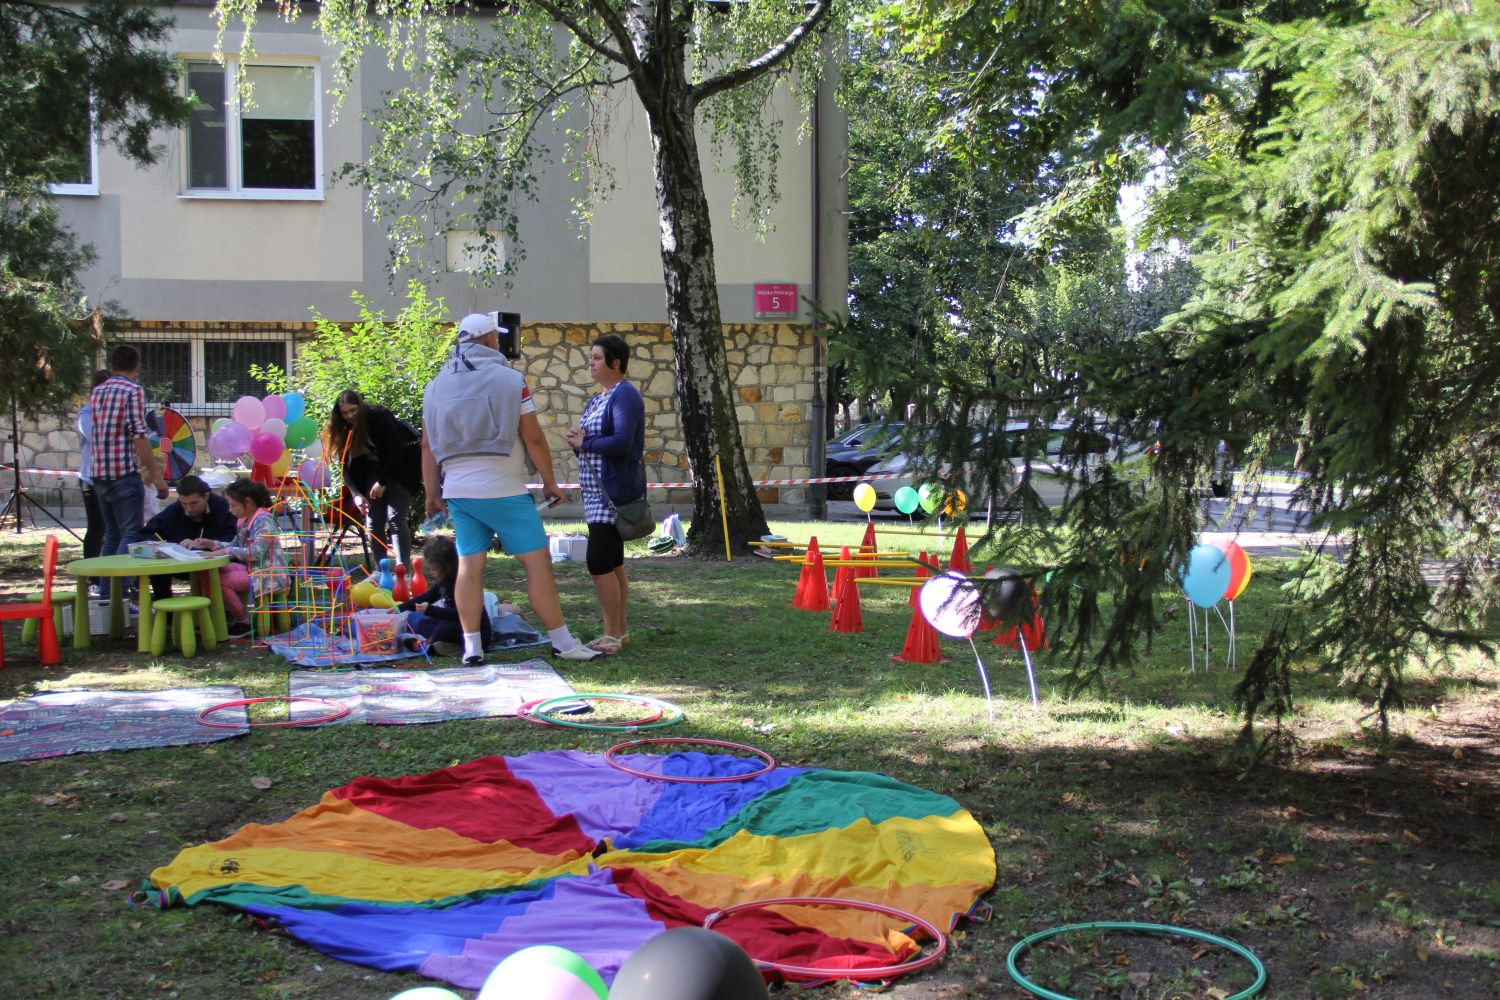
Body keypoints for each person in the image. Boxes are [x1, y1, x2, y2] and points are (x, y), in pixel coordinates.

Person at [420, 312, 600, 664]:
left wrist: (432, 492)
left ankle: (472, 647)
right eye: (496, 338)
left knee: (470, 567)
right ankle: (563, 642)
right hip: (503, 488)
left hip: (459, 490)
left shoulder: (435, 385)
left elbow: (428, 446)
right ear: (489, 340)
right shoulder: (510, 379)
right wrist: (549, 481)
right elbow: (532, 436)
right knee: (537, 564)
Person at [564, 334, 645, 655]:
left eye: (597, 358)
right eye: (591, 357)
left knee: (598, 561)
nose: (591, 363)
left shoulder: (625, 395)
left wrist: (586, 443)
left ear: (616, 363)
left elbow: (622, 443)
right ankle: (619, 631)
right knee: (612, 562)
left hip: (612, 492)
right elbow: (593, 444)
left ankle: (611, 634)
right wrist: (578, 442)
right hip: (596, 492)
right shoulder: (599, 397)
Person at [89, 345, 169, 559]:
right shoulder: (133, 391)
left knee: (113, 533)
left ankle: (106, 590)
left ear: (111, 366)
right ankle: (121, 587)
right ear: (138, 367)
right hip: (123, 474)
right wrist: (158, 478)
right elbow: (139, 437)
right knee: (132, 533)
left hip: (99, 473)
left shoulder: (97, 392)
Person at [326, 389, 422, 568]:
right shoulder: (343, 428)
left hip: (403, 467)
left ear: (360, 407)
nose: (349, 416)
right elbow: (344, 465)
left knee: (395, 517)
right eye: (345, 413)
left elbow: (395, 451)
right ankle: (381, 569)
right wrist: (356, 493)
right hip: (375, 469)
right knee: (373, 519)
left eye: (353, 411)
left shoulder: (379, 417)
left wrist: (383, 483)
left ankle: (403, 571)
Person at [137, 474, 238, 602]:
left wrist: (208, 544)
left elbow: (234, 539)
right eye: (184, 503)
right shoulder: (175, 510)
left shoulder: (223, 507)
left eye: (194, 503)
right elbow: (148, 532)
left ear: (206, 496)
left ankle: (225, 610)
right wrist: (161, 546)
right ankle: (166, 611)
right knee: (157, 569)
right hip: (183, 564)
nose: (189, 508)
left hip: (217, 563)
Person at [214, 478, 287, 637]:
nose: (230, 510)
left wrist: (227, 551)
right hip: (254, 569)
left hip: (267, 573)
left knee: (218, 582)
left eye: (233, 505)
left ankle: (242, 621)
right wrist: (212, 544)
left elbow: (256, 553)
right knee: (215, 573)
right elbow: (235, 544)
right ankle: (232, 615)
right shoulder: (246, 520)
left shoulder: (263, 520)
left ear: (247, 502)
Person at [396, 535, 490, 656]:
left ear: (446, 566)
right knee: (423, 623)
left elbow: (462, 614)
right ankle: (449, 644)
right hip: (456, 625)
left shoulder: (462, 583)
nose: (431, 572)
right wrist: (398, 609)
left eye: (434, 568)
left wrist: (430, 610)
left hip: (477, 632)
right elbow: (428, 597)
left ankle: (439, 644)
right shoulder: (445, 580)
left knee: (444, 628)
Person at [75, 370, 112, 596]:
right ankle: (93, 578)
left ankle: (115, 577)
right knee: (97, 529)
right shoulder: (86, 414)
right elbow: (96, 436)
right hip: (91, 478)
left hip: (113, 478)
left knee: (114, 530)